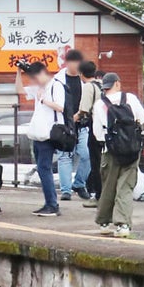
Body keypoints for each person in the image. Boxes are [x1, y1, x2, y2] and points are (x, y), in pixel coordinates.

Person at [92, 70, 144, 237]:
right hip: (131, 149)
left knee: (108, 187)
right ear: (117, 83)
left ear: (105, 87)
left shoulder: (99, 104)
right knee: (125, 187)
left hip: (110, 150)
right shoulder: (129, 98)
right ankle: (122, 225)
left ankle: (104, 222)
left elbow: (97, 133)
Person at [26, 60, 67, 217]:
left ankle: (52, 204)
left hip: (49, 134)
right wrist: (19, 71)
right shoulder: (40, 88)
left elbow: (61, 107)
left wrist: (43, 100)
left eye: (35, 78)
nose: (34, 82)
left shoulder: (56, 85)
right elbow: (18, 89)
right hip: (38, 133)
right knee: (43, 168)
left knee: (44, 168)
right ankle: (49, 203)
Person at [55, 51, 87, 200]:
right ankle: (66, 190)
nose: (75, 65)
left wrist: (79, 115)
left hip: (82, 123)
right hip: (64, 124)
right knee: (64, 156)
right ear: (67, 62)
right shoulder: (58, 80)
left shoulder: (85, 80)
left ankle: (79, 184)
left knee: (86, 154)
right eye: (72, 62)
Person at [71, 66, 102, 201]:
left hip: (93, 128)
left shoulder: (89, 87)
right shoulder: (102, 85)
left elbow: (84, 109)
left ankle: (97, 193)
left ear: (81, 74)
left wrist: (71, 120)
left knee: (92, 158)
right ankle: (94, 189)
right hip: (106, 128)